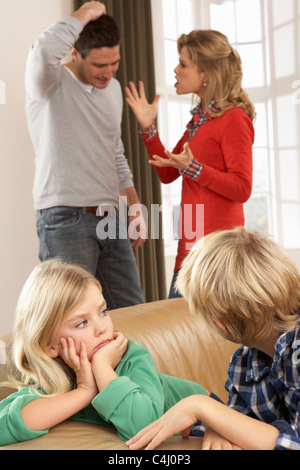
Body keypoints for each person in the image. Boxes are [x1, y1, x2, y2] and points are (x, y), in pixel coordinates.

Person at [126, 227, 300, 451]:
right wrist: (217, 424)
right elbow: (240, 425)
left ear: (219, 323)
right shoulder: (244, 365)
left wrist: (202, 406)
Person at [0, 259, 207, 446]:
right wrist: (83, 392)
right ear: (49, 346)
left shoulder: (132, 357)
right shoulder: (53, 378)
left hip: (205, 417)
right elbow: (4, 426)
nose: (101, 327)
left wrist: (102, 367)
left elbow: (144, 425)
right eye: (82, 323)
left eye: (103, 311)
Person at [25, 1, 145, 310]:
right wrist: (83, 15)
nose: (108, 73)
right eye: (99, 65)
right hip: (64, 219)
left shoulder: (114, 89)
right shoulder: (49, 83)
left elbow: (114, 149)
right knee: (70, 315)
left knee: (133, 312)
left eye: (114, 63)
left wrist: (133, 205)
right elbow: (42, 50)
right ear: (75, 52)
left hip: (110, 217)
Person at [125, 30, 255, 298]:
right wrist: (148, 127)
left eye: (183, 64)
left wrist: (194, 169)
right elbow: (167, 171)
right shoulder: (201, 120)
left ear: (205, 72)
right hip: (189, 251)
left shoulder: (234, 119)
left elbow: (242, 188)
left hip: (217, 258)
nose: (176, 70)